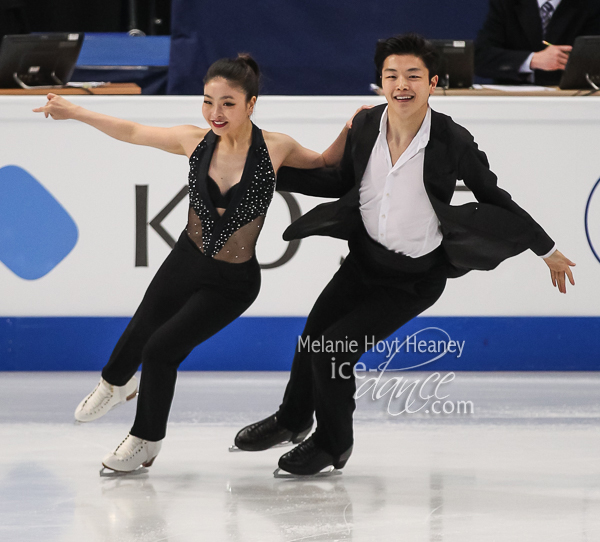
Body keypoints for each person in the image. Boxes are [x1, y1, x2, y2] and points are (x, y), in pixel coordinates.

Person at [233, 34, 576, 477]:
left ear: (433, 83)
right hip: (363, 264)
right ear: (380, 81)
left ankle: (333, 446)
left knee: (331, 352)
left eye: (413, 76)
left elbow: (494, 196)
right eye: (392, 75)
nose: (402, 84)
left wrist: (544, 248)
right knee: (312, 338)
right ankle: (293, 418)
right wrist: (272, 178)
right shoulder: (364, 127)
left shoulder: (452, 140)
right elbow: (339, 183)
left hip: (413, 280)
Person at [33, 54, 356, 473]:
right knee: (142, 325)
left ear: (251, 104)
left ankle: (145, 441)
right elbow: (131, 131)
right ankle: (115, 383)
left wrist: (352, 127)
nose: (215, 113)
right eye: (208, 102)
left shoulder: (276, 147)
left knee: (161, 349)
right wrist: (74, 110)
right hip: (187, 259)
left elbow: (326, 164)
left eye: (227, 103)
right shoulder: (194, 140)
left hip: (234, 280)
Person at [474, 0, 600, 85]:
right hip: (513, 101)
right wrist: (532, 60)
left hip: (569, 102)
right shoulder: (506, 3)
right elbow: (480, 58)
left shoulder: (591, 5)